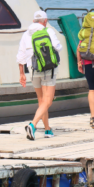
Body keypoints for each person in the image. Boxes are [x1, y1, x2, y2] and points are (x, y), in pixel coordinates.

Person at [17, 10, 64, 140]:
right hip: (48, 69)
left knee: (41, 101)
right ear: (45, 21)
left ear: (33, 21)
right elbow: (58, 47)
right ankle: (33, 125)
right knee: (48, 101)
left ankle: (47, 129)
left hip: (33, 69)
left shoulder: (26, 34)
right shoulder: (48, 31)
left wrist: (22, 74)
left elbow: (20, 56)